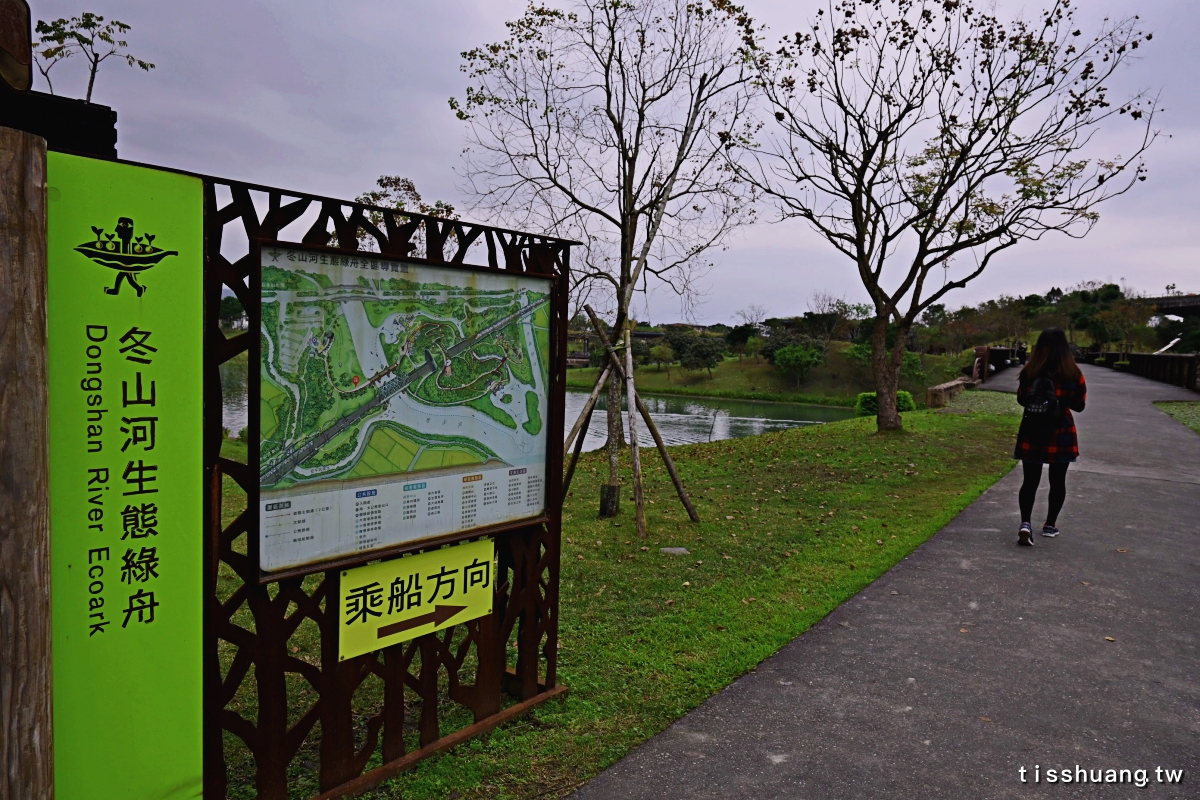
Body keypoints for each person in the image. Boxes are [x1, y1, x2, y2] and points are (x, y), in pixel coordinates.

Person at [1013, 328, 1087, 546]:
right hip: (1061, 431)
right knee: (1058, 481)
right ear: (1065, 347)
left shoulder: (1030, 371)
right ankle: (1050, 525)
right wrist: (1060, 402)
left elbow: (1021, 399)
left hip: (1032, 429)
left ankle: (1025, 523)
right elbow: (1080, 405)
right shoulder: (1072, 372)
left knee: (1029, 481)